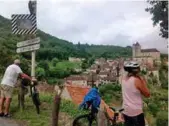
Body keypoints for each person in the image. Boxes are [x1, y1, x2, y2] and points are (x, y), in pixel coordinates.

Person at [121, 61, 150, 126]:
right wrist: (142, 80)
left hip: (126, 111)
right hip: (136, 112)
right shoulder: (136, 80)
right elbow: (147, 94)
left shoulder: (123, 80)